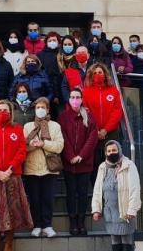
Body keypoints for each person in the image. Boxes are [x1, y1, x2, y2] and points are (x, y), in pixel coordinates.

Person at [0, 100, 33, 250]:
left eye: (5, 110)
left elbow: (21, 151)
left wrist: (9, 170)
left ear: (10, 113)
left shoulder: (17, 129)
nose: (2, 113)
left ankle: (9, 242)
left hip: (12, 175)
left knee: (12, 210)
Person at [59, 87, 98, 236]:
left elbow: (92, 137)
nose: (75, 100)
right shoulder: (63, 117)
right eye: (72, 97)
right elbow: (63, 137)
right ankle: (73, 222)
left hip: (85, 163)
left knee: (83, 194)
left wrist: (81, 155)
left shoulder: (88, 115)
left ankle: (81, 221)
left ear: (82, 99)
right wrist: (70, 156)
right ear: (69, 99)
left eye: (77, 97)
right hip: (69, 164)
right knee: (71, 193)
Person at [23, 97, 64, 238]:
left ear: (47, 110)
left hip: (49, 168)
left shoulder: (55, 126)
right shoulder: (28, 126)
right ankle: (37, 225)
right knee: (34, 199)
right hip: (31, 168)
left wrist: (43, 144)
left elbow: (59, 146)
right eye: (37, 107)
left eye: (43, 107)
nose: (40, 110)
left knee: (47, 198)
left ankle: (47, 225)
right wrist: (32, 146)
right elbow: (22, 148)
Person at [92, 140, 142, 251]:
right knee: (115, 242)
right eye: (108, 151)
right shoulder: (102, 167)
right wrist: (96, 209)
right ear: (105, 153)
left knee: (127, 242)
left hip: (125, 213)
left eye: (114, 150)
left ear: (119, 150)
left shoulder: (129, 165)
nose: (111, 153)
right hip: (110, 213)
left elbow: (135, 189)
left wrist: (132, 210)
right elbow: (97, 190)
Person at [83, 62, 124, 171]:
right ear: (91, 76)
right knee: (95, 164)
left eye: (100, 72)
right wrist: (96, 130)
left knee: (112, 163)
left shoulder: (114, 91)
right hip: (93, 132)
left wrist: (105, 130)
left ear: (105, 74)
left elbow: (117, 112)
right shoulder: (86, 92)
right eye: (95, 73)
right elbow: (86, 112)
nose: (97, 74)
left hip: (111, 132)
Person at [37, 32, 64, 111]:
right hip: (46, 90)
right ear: (46, 42)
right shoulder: (40, 55)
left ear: (58, 42)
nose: (52, 42)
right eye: (50, 40)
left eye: (54, 40)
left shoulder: (62, 54)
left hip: (60, 90)